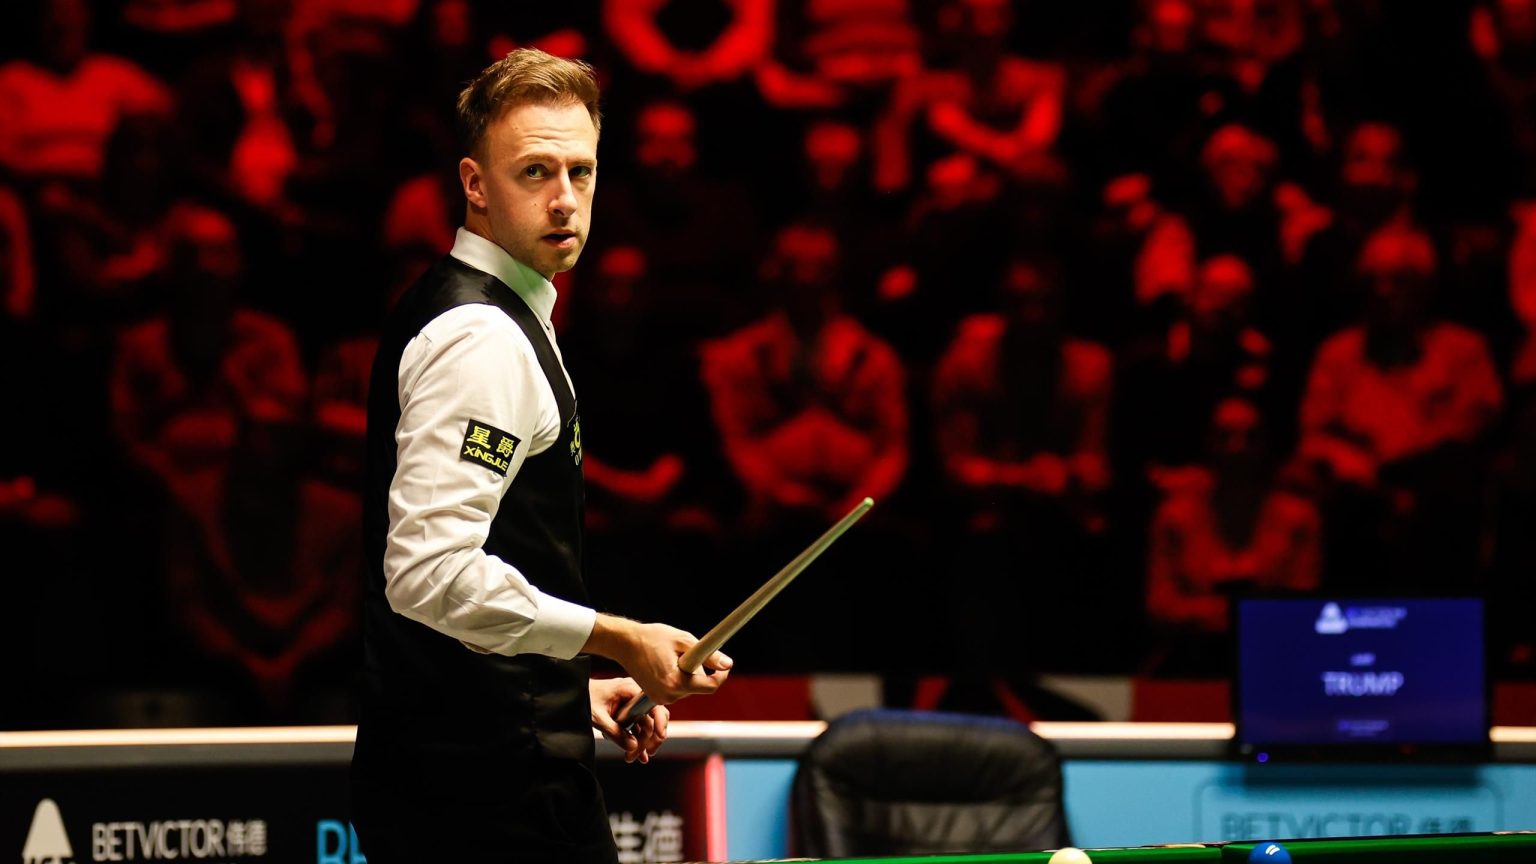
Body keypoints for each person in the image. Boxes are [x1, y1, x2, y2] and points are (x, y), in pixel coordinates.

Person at [351, 49, 732, 863]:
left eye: (580, 172)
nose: (564, 198)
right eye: (534, 171)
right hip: (488, 796)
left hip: (469, 768)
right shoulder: (481, 337)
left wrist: (563, 687)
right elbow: (428, 573)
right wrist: (618, 638)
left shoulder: (490, 308)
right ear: (475, 184)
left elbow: (483, 565)